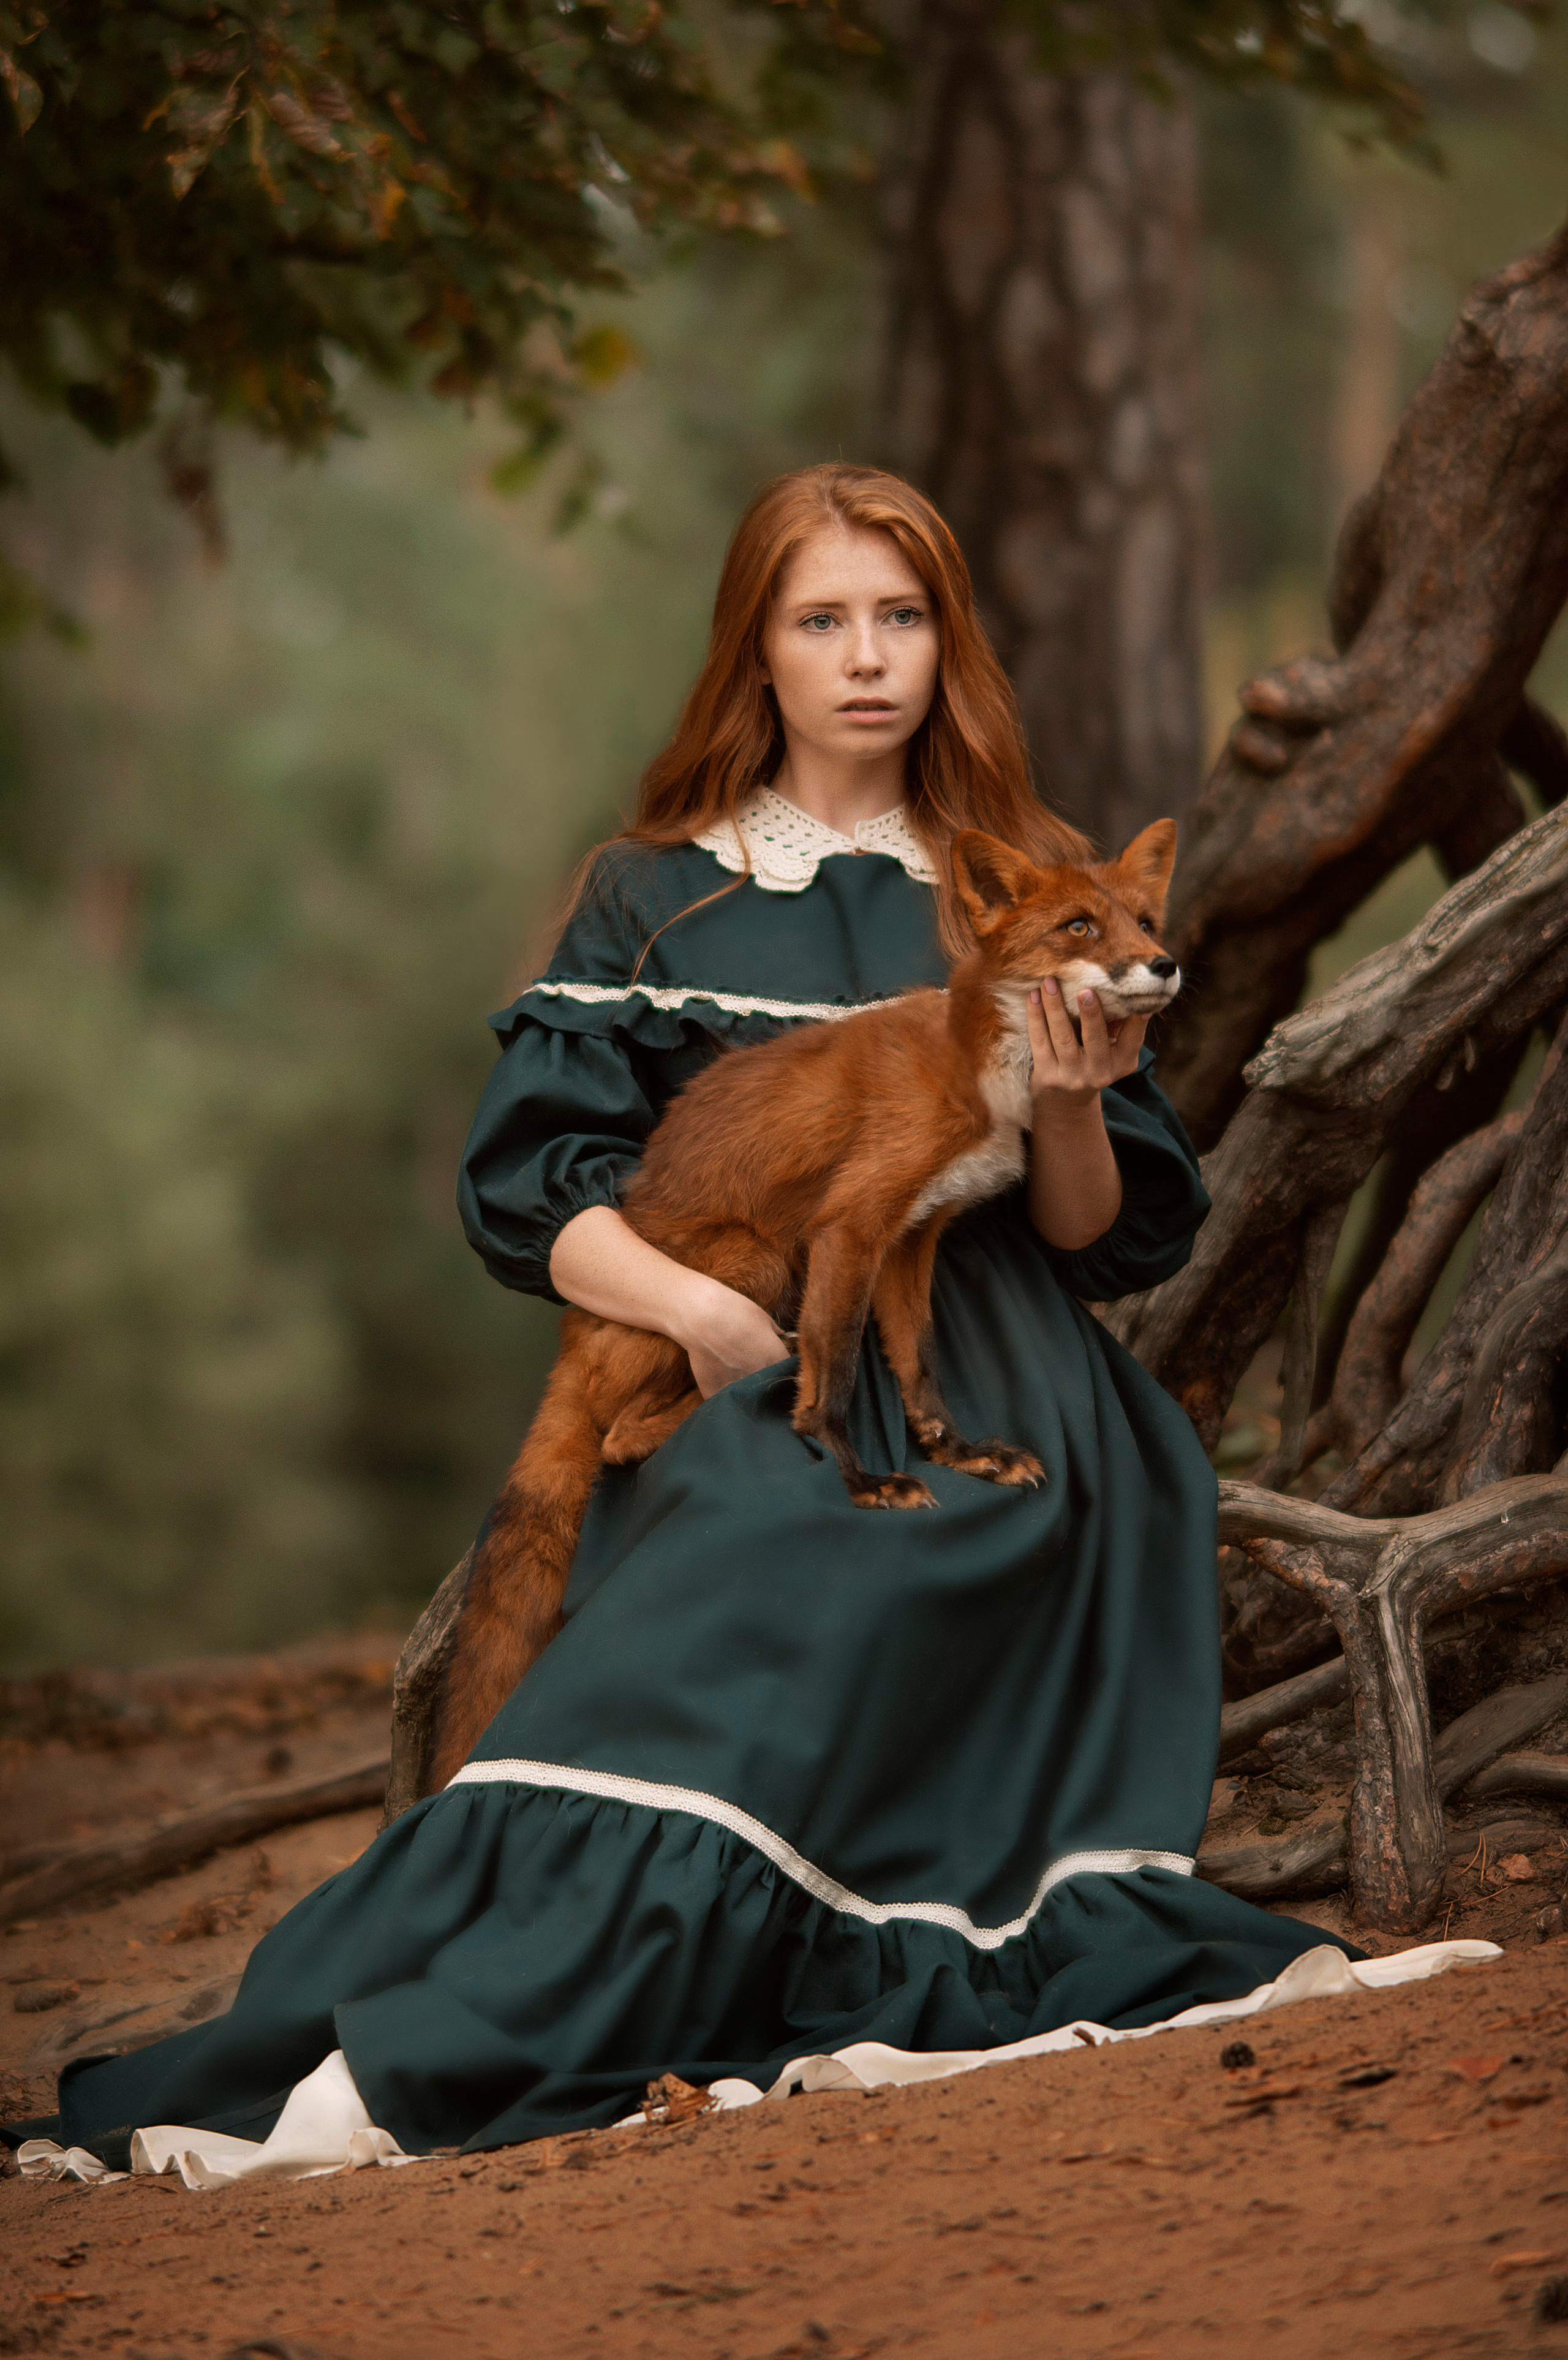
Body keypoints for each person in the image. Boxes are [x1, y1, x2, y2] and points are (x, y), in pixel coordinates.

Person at [7, 465, 1357, 2177]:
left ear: (947, 643)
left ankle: (787, 1943)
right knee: (751, 1536)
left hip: (1000, 1369)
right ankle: (511, 1982)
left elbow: (1098, 1239)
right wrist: (705, 1316)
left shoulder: (1024, 880)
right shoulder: (660, 896)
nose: (865, 656)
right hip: (728, 1338)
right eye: (821, 619)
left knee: (869, 1533)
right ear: (755, 649)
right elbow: (532, 1191)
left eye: (902, 616)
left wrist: (1077, 1097)